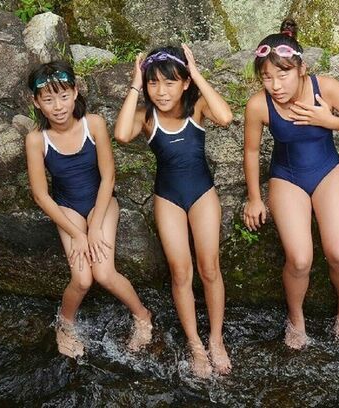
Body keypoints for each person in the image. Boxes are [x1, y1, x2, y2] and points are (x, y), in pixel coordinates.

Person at [243, 19, 339, 348]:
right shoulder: (258, 105)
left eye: (282, 75)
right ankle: (296, 318)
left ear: (301, 68)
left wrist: (328, 120)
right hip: (287, 177)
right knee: (300, 260)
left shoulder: (324, 87)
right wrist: (254, 198)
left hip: (327, 171)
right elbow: (251, 151)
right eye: (267, 77)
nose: (275, 85)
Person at [114, 45, 233, 377]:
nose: (161, 91)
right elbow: (121, 135)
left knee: (210, 269)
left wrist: (197, 75)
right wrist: (135, 83)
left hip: (202, 194)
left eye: (170, 82)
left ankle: (216, 339)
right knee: (181, 273)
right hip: (168, 199)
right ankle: (195, 344)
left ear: (184, 83)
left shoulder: (197, 107)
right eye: (153, 83)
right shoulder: (146, 116)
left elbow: (225, 117)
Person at [25, 61, 153, 359]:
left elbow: (108, 176)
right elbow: (42, 196)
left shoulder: (93, 124)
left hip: (101, 202)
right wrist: (78, 234)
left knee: (104, 273)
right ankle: (65, 324)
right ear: (37, 102)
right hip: (67, 208)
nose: (58, 106)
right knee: (83, 279)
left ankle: (142, 315)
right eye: (48, 99)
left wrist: (94, 227)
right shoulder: (36, 139)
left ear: (75, 92)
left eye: (64, 96)